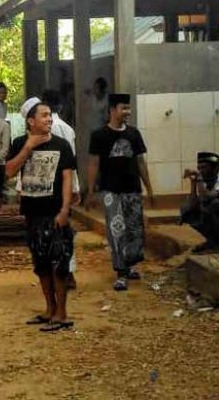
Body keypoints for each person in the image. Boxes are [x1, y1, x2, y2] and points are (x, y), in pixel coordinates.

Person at [6, 97, 76, 332]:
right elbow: (9, 172)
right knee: (41, 265)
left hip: (55, 214)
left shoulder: (62, 145)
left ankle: (62, 314)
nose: (49, 119)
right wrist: (28, 147)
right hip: (33, 214)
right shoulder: (18, 144)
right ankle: (49, 309)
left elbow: (67, 179)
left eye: (50, 115)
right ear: (31, 121)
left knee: (59, 265)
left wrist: (65, 210)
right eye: (44, 116)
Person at [86, 93, 154, 292]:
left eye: (128, 108)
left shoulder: (134, 134)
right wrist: (90, 191)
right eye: (124, 108)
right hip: (110, 190)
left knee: (134, 229)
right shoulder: (99, 136)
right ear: (112, 110)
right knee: (116, 230)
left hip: (132, 189)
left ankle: (130, 265)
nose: (127, 112)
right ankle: (121, 273)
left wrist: (149, 188)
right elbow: (93, 163)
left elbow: (140, 162)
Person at [42, 89, 81, 289]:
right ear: (61, 106)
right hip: (66, 185)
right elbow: (72, 162)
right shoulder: (68, 128)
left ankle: (61, 272)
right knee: (64, 230)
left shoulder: (47, 129)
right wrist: (75, 188)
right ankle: (68, 272)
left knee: (52, 231)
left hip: (50, 187)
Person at [181, 152, 219, 253]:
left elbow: (207, 196)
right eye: (199, 168)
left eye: (204, 167)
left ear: (215, 169)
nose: (201, 171)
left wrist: (199, 178)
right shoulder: (201, 182)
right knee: (186, 208)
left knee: (214, 204)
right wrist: (193, 184)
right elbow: (192, 203)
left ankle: (218, 243)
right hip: (207, 218)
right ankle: (202, 242)